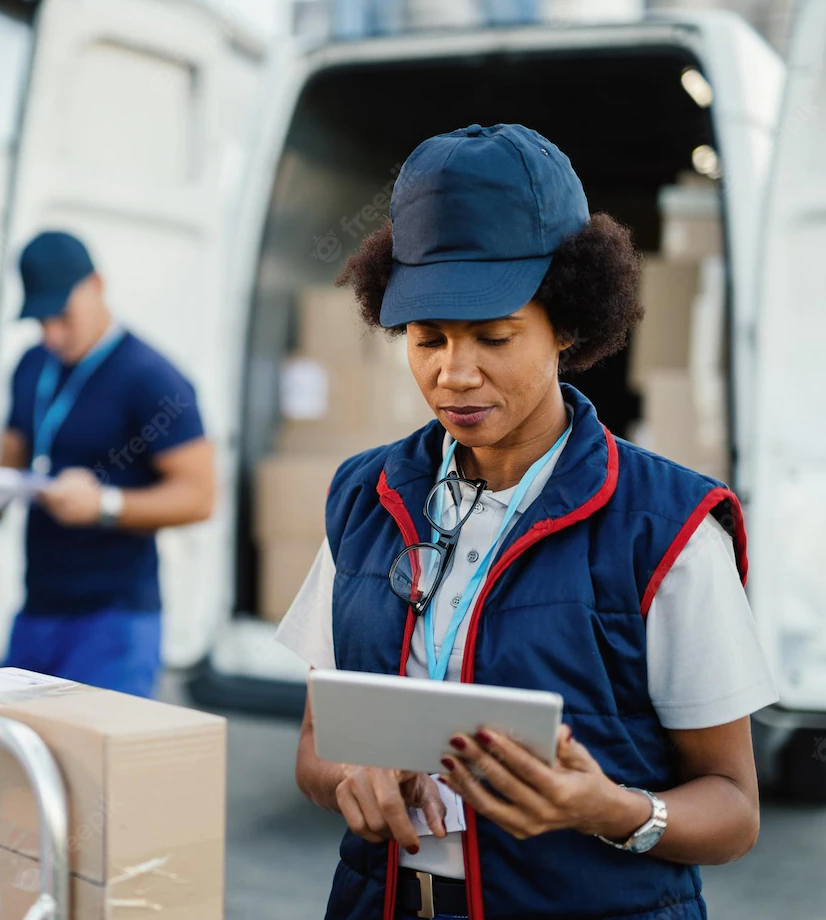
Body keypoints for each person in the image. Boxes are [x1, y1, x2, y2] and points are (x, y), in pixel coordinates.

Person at [274, 125, 778, 920]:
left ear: (569, 324)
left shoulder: (667, 529)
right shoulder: (365, 497)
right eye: (427, 338)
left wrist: (606, 808)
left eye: (495, 337)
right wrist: (351, 778)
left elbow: (733, 811)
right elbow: (314, 748)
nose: (455, 372)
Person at [0, 230, 215, 698]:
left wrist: (105, 505)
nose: (52, 333)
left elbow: (199, 497)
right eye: (41, 320)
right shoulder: (31, 366)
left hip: (115, 621)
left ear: (96, 285)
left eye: (62, 316)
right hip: (37, 609)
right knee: (10, 761)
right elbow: (7, 462)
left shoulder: (152, 378)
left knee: (98, 768)